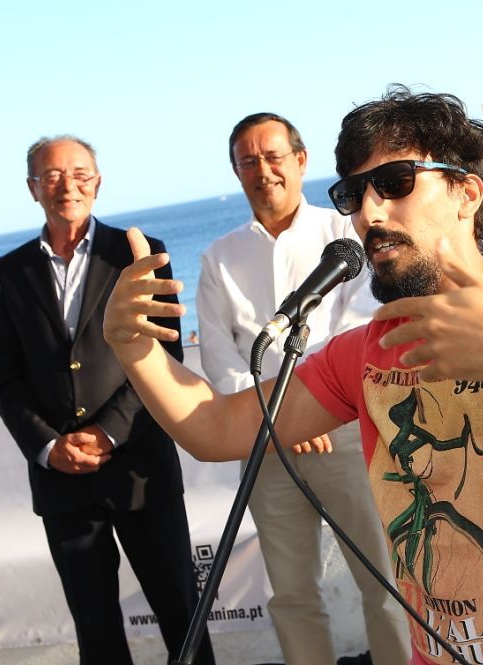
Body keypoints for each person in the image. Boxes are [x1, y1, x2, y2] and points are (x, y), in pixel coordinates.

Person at [103, 86, 483, 665]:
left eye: (397, 182)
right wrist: (133, 346)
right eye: (354, 194)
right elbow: (217, 427)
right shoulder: (367, 350)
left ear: (466, 193)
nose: (368, 214)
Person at [0, 135, 214, 665]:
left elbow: (164, 355)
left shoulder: (138, 253)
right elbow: (5, 378)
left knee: (182, 613)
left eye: (80, 173)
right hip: (61, 481)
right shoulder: (8, 273)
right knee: (95, 629)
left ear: (98, 182)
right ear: (32, 188)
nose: (67, 185)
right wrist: (49, 446)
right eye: (52, 175)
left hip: (140, 469)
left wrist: (109, 430)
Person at [196, 112, 409, 665]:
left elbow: (358, 329)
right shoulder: (218, 259)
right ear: (236, 172)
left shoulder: (345, 233)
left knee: (384, 581)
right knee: (291, 595)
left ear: (300, 159)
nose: (262, 170)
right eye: (248, 161)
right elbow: (220, 355)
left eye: (273, 156)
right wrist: (280, 419)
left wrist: (308, 408)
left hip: (342, 433)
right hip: (264, 443)